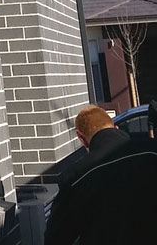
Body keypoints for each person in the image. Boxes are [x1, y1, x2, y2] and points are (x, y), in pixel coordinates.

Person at [44, 104, 157, 245]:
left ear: (81, 137)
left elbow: (56, 237)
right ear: (115, 126)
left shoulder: (75, 177)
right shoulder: (151, 150)